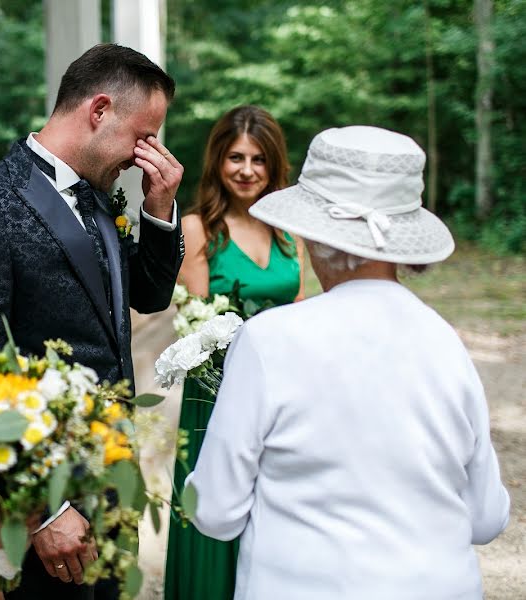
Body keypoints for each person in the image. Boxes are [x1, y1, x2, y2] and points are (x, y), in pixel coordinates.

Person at [187, 125, 510, 599]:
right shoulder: (447, 343)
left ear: (313, 237)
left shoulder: (268, 340)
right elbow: (486, 517)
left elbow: (214, 511)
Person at [0, 44, 184, 600]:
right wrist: (45, 509)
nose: (149, 154)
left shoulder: (101, 197)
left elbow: (148, 296)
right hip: (48, 504)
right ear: (99, 110)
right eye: (144, 136)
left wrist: (159, 211)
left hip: (113, 479)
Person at [165, 105, 302, 600]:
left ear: (275, 166)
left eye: (259, 160)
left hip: (285, 395)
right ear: (218, 161)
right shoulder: (199, 230)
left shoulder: (290, 234)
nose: (247, 170)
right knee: (214, 516)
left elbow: (304, 311)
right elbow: (196, 326)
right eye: (236, 157)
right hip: (218, 392)